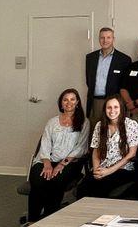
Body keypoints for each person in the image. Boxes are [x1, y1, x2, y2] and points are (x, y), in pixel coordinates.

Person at [27, 88, 90, 222]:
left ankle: (50, 219)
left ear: (77, 102)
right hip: (46, 159)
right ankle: (32, 220)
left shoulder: (84, 122)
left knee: (56, 181)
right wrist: (47, 164)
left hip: (70, 162)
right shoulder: (52, 122)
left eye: (72, 99)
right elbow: (45, 144)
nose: (69, 103)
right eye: (65, 100)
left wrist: (62, 164)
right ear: (61, 103)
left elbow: (81, 148)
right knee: (38, 180)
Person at [83, 94, 138, 198]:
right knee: (83, 187)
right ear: (105, 109)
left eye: (116, 107)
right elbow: (96, 151)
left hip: (123, 169)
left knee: (101, 188)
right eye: (109, 107)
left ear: (121, 108)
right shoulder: (100, 125)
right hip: (103, 166)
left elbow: (132, 154)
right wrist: (97, 170)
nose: (112, 111)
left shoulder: (130, 124)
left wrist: (109, 171)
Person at [85, 27, 131, 127]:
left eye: (108, 37)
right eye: (102, 38)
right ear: (99, 39)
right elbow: (89, 81)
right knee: (95, 132)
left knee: (114, 132)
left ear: (113, 39)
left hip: (114, 105)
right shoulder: (90, 58)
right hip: (95, 103)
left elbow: (125, 85)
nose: (105, 40)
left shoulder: (124, 59)